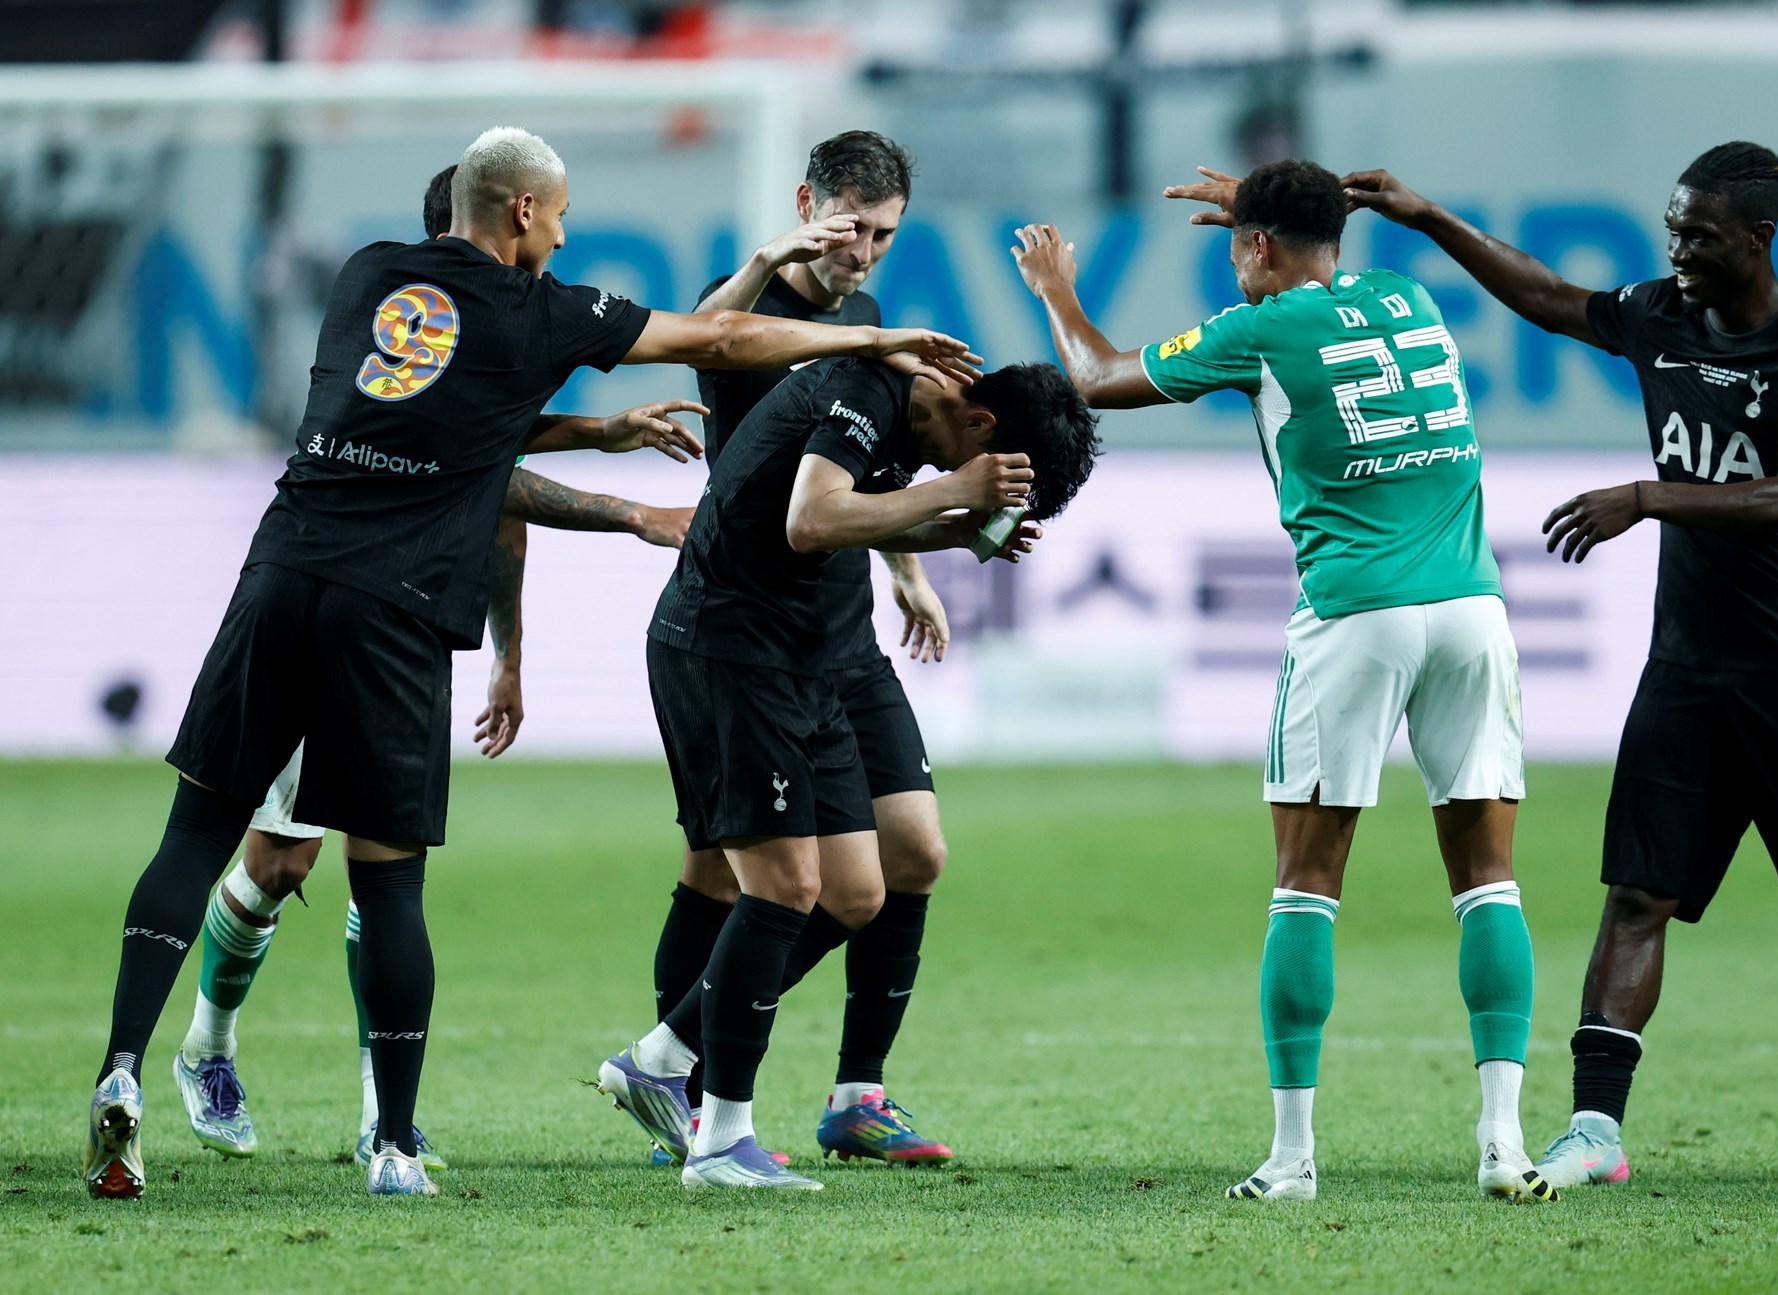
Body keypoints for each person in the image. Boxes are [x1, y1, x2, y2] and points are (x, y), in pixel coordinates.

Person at [85, 124, 976, 1201]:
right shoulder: (545, 310)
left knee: (200, 837)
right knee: (376, 876)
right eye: (557, 217)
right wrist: (870, 342)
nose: (562, 236)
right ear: (521, 211)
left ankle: (125, 1064)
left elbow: (456, 420)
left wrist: (595, 438)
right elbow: (719, 336)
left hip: (283, 568)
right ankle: (391, 1140)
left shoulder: (367, 275)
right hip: (401, 607)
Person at [1339, 142, 1778, 1186]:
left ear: (1756, 237)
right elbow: (1548, 297)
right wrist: (1426, 216)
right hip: (1685, 669)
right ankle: (1596, 1129)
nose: (1676, 249)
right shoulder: (1660, 315)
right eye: (1672, 229)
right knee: (1636, 894)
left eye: (1697, 234)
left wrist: (1644, 496)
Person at [1014, 159, 1548, 1203]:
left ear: (1257, 245)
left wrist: (1055, 290)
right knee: (1487, 878)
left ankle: (1293, 1157)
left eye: (1237, 247)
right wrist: (1268, 221)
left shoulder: (1257, 331)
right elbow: (1315, 274)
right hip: (1472, 610)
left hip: (1353, 614)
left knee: (1306, 880)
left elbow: (1097, 376)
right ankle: (1503, 1143)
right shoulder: (1406, 297)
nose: (1231, 263)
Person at [170, 162, 705, 1172]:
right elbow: (492, 468)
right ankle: (208, 1045)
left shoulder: (493, 334)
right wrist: (624, 493)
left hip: (403, 626)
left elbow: (495, 497)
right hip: (323, 601)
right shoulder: (420, 331)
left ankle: (385, 1117)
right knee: (281, 863)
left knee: (383, 872)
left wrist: (510, 655)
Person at [636, 356, 1098, 1189]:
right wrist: (952, 492)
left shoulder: (921, 411)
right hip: (730, 643)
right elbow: (811, 519)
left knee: (857, 889)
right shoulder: (868, 388)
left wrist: (950, 531)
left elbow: (863, 514)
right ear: (981, 426)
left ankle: (664, 1055)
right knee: (777, 884)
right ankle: (720, 1139)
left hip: (805, 653)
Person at [600, 131, 959, 1170]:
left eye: (885, 234)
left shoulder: (869, 316)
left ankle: (851, 1091)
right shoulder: (745, 302)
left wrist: (905, 567)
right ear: (810, 206)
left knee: (910, 853)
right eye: (852, 229)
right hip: (746, 619)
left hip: (838, 624)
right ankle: (684, 1088)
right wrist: (767, 257)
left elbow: (865, 460)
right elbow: (710, 340)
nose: (865, 253)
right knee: (729, 872)